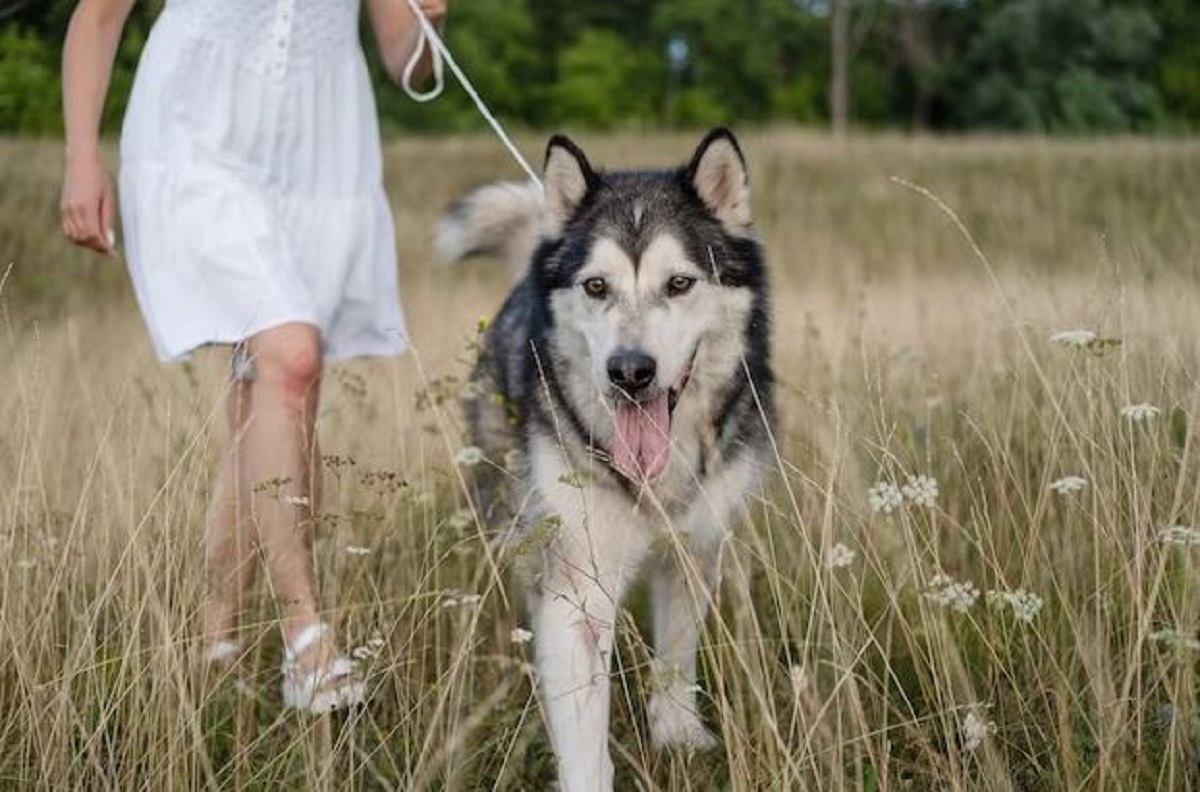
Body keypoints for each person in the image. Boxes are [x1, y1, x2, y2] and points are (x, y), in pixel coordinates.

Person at [60, 0, 447, 712]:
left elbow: (408, 62)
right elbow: (98, 17)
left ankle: (216, 648)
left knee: (273, 393)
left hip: (321, 151)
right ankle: (306, 635)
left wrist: (433, 23)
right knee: (291, 357)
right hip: (196, 132)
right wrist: (81, 156)